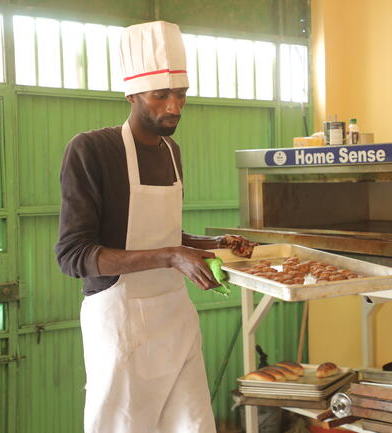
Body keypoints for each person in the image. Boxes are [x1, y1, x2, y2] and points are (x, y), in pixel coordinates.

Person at [54, 20, 255, 433]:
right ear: (132, 93)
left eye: (181, 95)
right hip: (120, 319)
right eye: (160, 95)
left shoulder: (171, 151)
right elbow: (73, 255)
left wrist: (212, 244)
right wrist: (170, 256)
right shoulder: (92, 150)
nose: (174, 107)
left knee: (192, 424)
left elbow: (161, 235)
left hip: (174, 316)